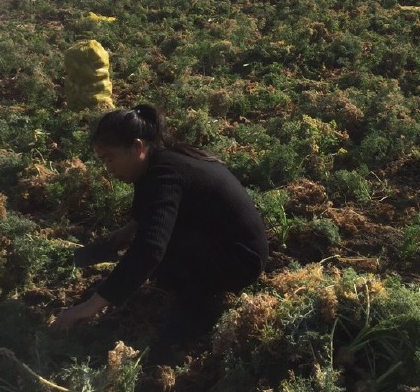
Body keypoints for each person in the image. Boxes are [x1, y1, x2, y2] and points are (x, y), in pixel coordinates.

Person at [52, 104, 269, 342]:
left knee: (158, 252)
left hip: (240, 260)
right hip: (228, 244)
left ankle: (194, 319)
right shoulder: (158, 161)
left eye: (110, 159)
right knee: (153, 246)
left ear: (137, 147)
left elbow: (150, 248)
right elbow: (149, 210)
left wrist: (91, 306)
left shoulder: (165, 174)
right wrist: (120, 235)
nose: (109, 169)